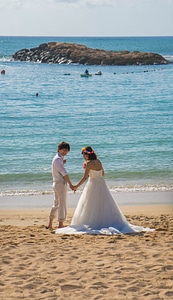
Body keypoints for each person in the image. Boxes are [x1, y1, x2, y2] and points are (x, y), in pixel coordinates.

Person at [55, 146, 154, 235]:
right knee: (104, 203)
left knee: (91, 204)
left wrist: (76, 186)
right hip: (102, 185)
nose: (83, 157)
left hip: (92, 184)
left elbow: (85, 177)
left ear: (87, 155)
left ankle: (94, 222)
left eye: (84, 155)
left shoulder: (89, 164)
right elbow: (102, 173)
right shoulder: (98, 161)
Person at [46, 141, 74, 229]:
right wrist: (70, 184)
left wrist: (62, 161)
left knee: (56, 203)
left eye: (66, 150)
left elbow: (59, 168)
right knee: (62, 204)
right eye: (63, 150)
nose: (65, 152)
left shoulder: (58, 158)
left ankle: (50, 223)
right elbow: (64, 173)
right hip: (60, 183)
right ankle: (60, 224)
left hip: (56, 183)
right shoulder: (58, 159)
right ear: (59, 149)